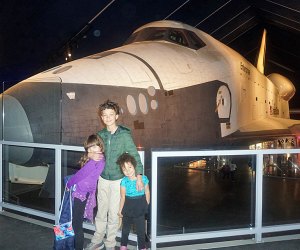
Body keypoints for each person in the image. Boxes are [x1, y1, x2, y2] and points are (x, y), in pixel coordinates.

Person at [86, 100, 144, 250]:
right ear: (101, 117)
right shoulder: (100, 135)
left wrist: (139, 175)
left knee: (113, 213)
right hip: (103, 178)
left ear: (116, 116)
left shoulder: (124, 134)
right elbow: (91, 151)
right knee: (101, 211)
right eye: (104, 115)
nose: (107, 117)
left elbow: (134, 155)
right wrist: (90, 154)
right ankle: (97, 240)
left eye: (111, 114)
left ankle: (110, 244)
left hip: (118, 180)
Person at [66, 134, 105, 250]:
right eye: (89, 148)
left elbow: (80, 174)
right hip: (85, 193)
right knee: (77, 222)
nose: (92, 150)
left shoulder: (95, 161)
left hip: (81, 193)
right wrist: (91, 154)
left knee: (76, 224)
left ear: (101, 147)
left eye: (95, 147)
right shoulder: (99, 158)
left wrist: (69, 183)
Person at [117, 153, 150, 250]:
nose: (128, 171)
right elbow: (122, 197)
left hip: (140, 207)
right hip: (128, 207)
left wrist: (146, 204)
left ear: (134, 166)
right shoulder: (124, 181)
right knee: (125, 229)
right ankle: (123, 246)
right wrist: (120, 210)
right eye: (124, 169)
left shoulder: (143, 179)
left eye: (130, 167)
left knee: (140, 230)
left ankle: (142, 247)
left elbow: (147, 192)